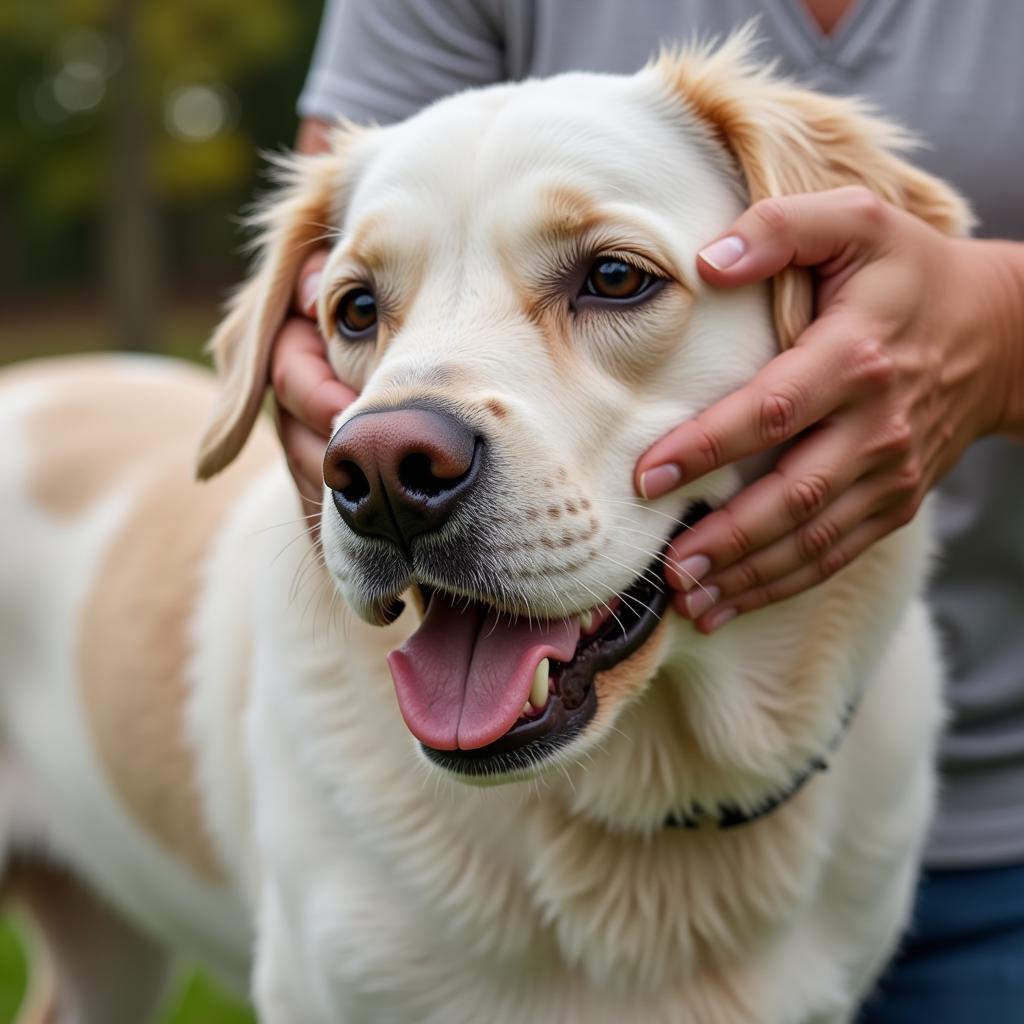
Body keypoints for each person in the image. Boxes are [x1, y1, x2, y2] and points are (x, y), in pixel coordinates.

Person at [268, 2, 1024, 1018]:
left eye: (613, 277)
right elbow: (302, 338)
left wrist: (997, 324)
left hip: (966, 805)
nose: (392, 434)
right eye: (364, 310)